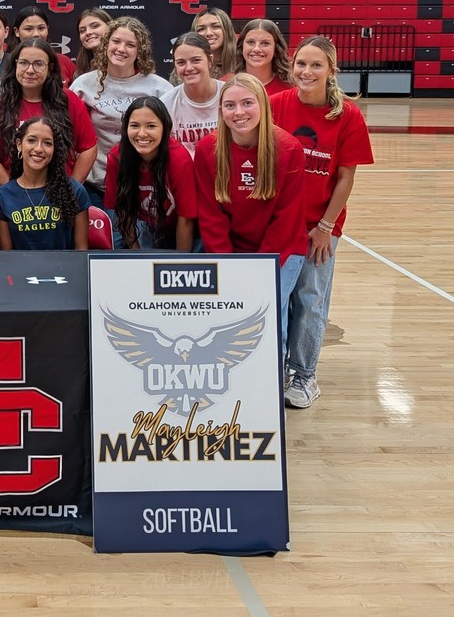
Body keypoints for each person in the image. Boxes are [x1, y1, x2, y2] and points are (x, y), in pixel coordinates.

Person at [271, 35, 374, 409]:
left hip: (319, 227)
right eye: (301, 64)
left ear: (332, 70)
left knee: (311, 301)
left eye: (316, 65)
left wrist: (325, 228)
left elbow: (345, 176)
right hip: (280, 226)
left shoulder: (347, 115)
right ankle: (275, 368)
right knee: (277, 299)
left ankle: (304, 374)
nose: (307, 71)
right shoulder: (276, 105)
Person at [194, 73, 306, 346]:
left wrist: (260, 269)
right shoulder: (208, 148)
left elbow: (286, 220)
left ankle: (273, 383)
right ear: (220, 110)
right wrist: (230, 266)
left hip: (283, 250)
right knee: (226, 319)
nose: (238, 112)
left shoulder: (289, 148)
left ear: (263, 106)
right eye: (230, 105)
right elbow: (211, 215)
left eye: (247, 103)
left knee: (267, 315)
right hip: (231, 249)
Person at [70, 17, 172, 206]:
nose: (121, 49)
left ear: (140, 50)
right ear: (106, 43)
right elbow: (72, 137)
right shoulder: (83, 85)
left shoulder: (160, 89)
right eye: (116, 41)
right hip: (95, 184)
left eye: (130, 45)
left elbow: (169, 141)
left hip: (143, 184)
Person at [0, 38, 97, 188]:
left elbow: (89, 148)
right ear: (15, 65)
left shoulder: (68, 100)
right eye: (23, 63)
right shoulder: (0, 105)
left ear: (50, 68)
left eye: (38, 64)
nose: (30, 70)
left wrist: (71, 188)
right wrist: (13, 192)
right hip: (16, 195)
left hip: (61, 192)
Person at [105, 96, 196, 251]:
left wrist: (181, 264)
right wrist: (136, 253)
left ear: (165, 128)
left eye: (151, 126)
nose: (142, 134)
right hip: (146, 224)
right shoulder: (117, 157)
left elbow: (186, 219)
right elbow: (122, 211)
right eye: (134, 125)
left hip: (184, 225)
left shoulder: (179, 159)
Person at [0, 116, 90, 250]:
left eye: (47, 143)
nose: (38, 149)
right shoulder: (2, 196)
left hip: (64, 270)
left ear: (55, 149)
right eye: (32, 140)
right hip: (20, 270)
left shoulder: (75, 191)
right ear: (19, 144)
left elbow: (81, 251)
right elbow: (7, 256)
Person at [163, 33, 227, 158]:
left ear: (210, 60)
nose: (189, 68)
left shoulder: (230, 94)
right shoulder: (166, 103)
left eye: (196, 60)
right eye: (181, 63)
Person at [168, 6, 236, 84]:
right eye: (201, 29)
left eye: (215, 26)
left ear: (227, 30)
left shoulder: (241, 64)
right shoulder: (184, 68)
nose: (209, 33)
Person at [7, 6, 76, 82]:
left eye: (41, 28)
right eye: (28, 29)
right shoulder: (6, 63)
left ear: (47, 29)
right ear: (17, 31)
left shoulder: (63, 62)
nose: (36, 34)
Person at [235, 19, 293, 97]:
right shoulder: (227, 84)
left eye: (265, 43)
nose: (256, 49)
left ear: (276, 49)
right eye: (250, 42)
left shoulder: (290, 88)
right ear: (241, 47)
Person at [74, 7, 112, 81]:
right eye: (82, 31)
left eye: (95, 26)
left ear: (110, 27)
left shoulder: (124, 64)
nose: (88, 32)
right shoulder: (79, 74)